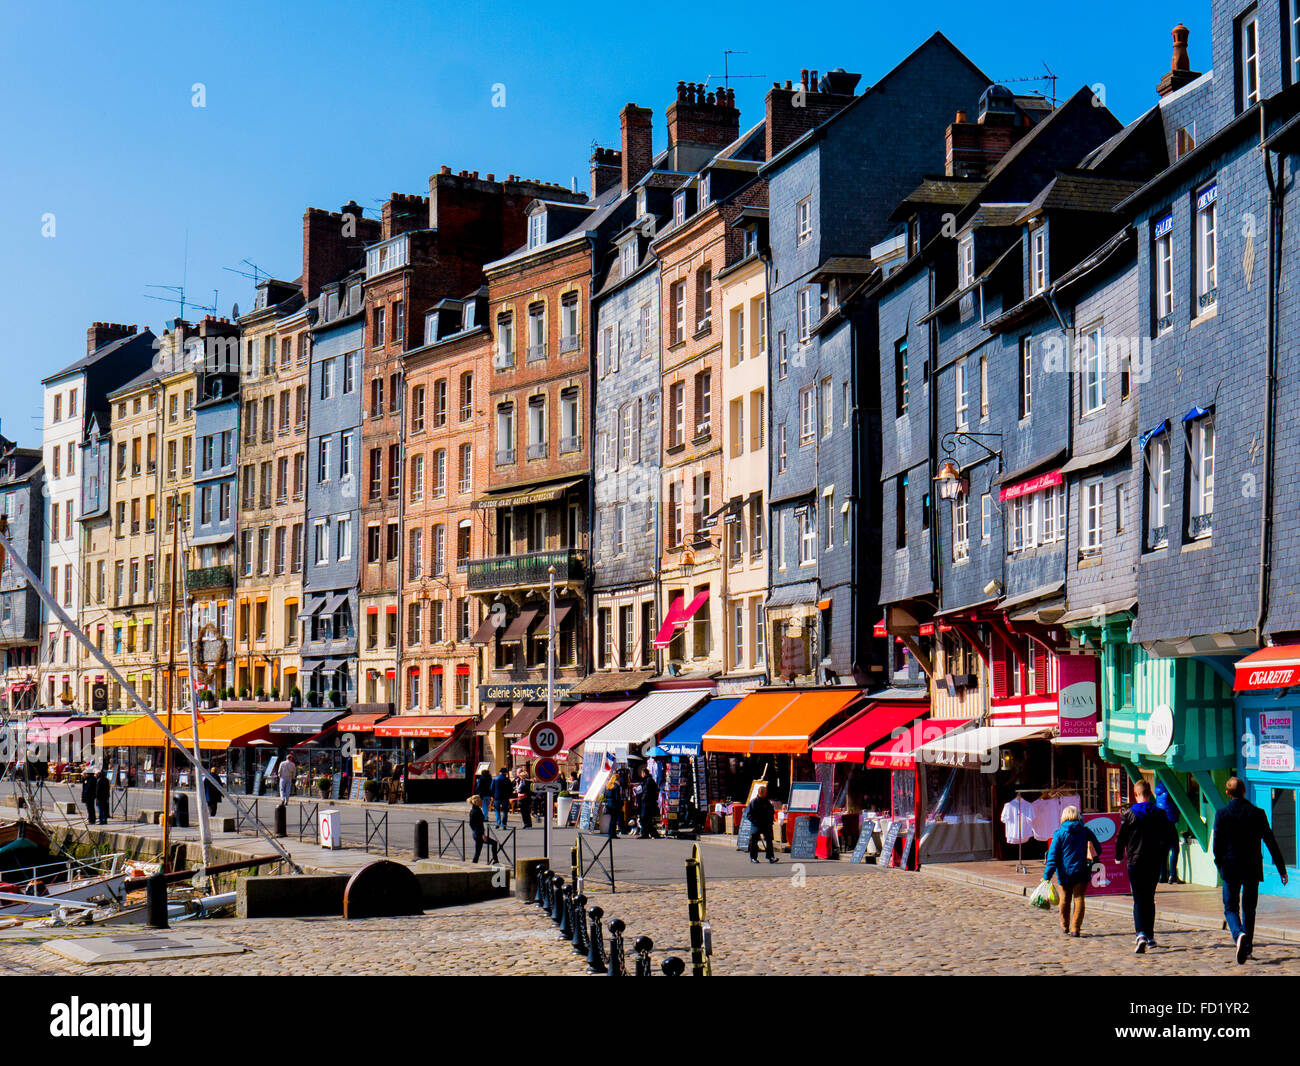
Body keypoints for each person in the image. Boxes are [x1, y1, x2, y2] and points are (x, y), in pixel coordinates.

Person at [1213, 776, 1290, 964]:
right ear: (1244, 791)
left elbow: (1217, 846)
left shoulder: (1222, 814)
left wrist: (1219, 864)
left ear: (1227, 793)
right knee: (1249, 908)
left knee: (1230, 908)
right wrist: (1281, 868)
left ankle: (1239, 934)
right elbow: (1270, 841)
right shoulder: (1258, 813)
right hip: (1251, 867)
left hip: (1230, 866)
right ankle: (1246, 948)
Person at [1115, 778, 1177, 953]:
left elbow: (1121, 838)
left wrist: (1118, 856)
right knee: (1149, 898)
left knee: (1138, 899)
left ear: (1135, 794)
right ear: (1150, 794)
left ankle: (1140, 933)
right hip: (1153, 861)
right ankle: (1150, 935)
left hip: (1135, 861)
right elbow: (1168, 837)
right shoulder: (1159, 814)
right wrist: (1162, 854)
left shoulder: (1129, 815)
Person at [1042, 805, 1101, 937]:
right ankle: (1076, 928)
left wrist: (1047, 876)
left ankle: (1064, 925)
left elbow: (1052, 857)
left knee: (1065, 899)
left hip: (1064, 873)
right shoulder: (1086, 832)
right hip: (1082, 871)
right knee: (1079, 899)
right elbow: (1098, 849)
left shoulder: (1059, 834)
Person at [1155, 780, 1182, 884]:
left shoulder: (1158, 789)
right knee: (1175, 849)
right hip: (1170, 821)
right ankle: (1172, 875)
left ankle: (1163, 876)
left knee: (1164, 851)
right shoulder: (1171, 787)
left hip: (1161, 822)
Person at [746, 785, 778, 864]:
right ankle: (753, 857)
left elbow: (771, 811)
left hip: (766, 824)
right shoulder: (754, 802)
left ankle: (770, 857)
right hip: (756, 824)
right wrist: (755, 822)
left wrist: (770, 820)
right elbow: (749, 815)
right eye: (765, 792)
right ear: (760, 793)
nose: (766, 794)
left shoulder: (767, 801)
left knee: (769, 840)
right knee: (754, 841)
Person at [638, 767, 660, 839]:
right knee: (647, 819)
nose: (641, 775)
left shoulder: (648, 780)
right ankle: (651, 833)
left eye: (642, 773)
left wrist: (643, 799)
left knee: (644, 818)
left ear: (644, 773)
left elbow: (646, 792)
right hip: (648, 802)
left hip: (647, 802)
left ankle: (646, 833)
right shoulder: (648, 780)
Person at [469, 795, 489, 863]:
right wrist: (482, 834)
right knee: (477, 852)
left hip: (477, 833)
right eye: (480, 801)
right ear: (477, 802)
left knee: (478, 852)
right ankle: (474, 863)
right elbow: (477, 824)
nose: (482, 802)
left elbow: (472, 824)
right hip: (478, 834)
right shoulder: (476, 811)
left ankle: (495, 860)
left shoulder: (476, 809)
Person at [603, 773, 623, 840]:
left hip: (609, 804)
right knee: (614, 820)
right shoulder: (616, 786)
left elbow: (605, 795)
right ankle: (613, 834)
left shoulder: (608, 786)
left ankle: (610, 833)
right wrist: (620, 804)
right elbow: (617, 797)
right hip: (614, 804)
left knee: (611, 820)